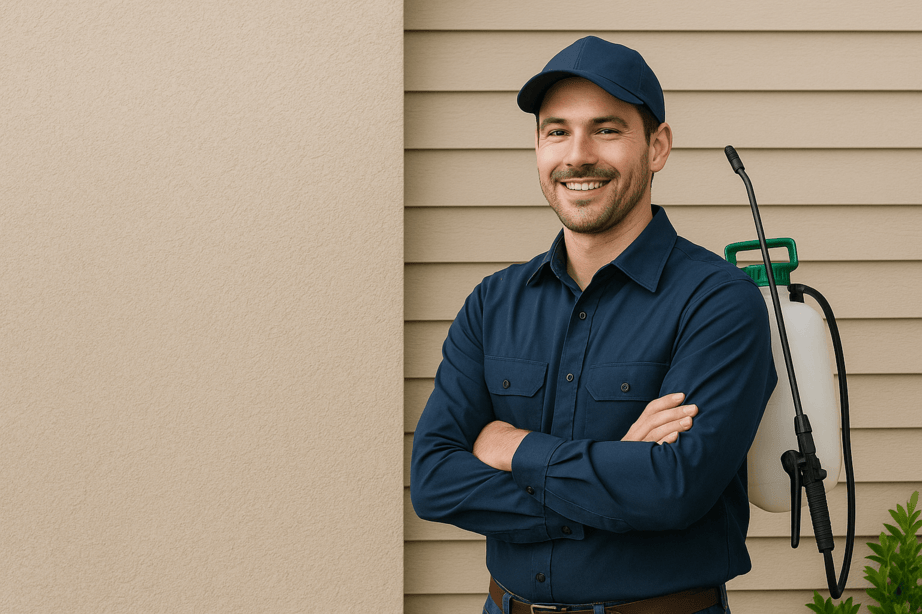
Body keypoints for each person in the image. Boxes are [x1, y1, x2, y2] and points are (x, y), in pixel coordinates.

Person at [410, 36, 777, 614]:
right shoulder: (494, 302)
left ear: (657, 147)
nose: (577, 155)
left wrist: (515, 447)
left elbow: (672, 490)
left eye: (606, 130)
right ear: (538, 146)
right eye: (557, 130)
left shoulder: (718, 303)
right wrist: (614, 472)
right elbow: (433, 480)